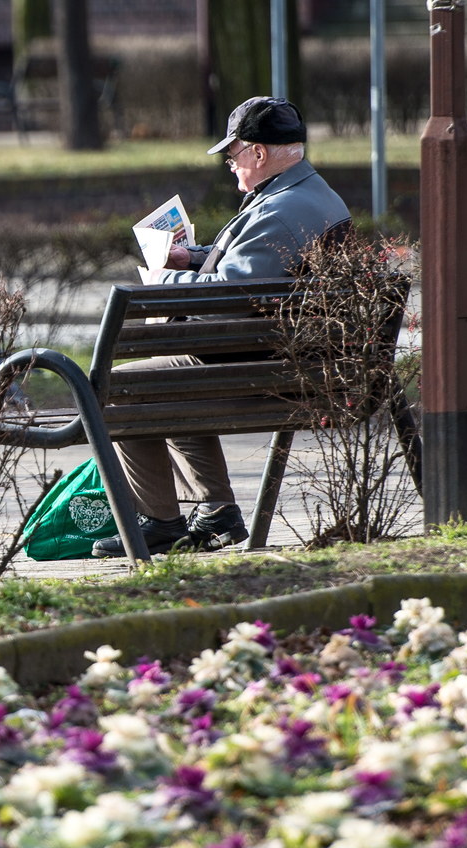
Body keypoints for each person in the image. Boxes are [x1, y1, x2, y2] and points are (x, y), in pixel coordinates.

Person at [91, 95, 351, 559]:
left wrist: (163, 279)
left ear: (258, 153)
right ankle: (214, 512)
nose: (230, 165)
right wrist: (192, 258)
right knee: (165, 379)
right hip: (274, 353)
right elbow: (255, 270)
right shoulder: (305, 195)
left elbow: (229, 299)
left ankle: (161, 522)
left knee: (120, 386)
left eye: (233, 155)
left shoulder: (281, 210)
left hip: (263, 366)